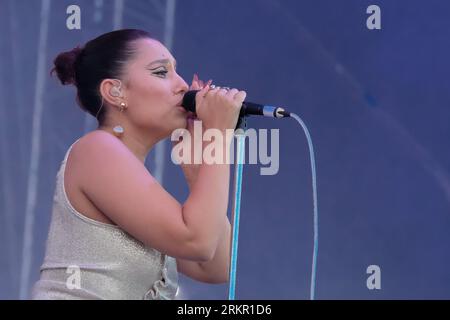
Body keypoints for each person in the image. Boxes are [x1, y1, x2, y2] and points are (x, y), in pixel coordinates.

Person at [31, 29, 246, 300]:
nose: (182, 85)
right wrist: (218, 136)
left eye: (177, 72)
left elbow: (217, 265)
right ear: (114, 91)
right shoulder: (96, 150)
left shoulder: (125, 173)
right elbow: (198, 242)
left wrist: (197, 170)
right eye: (160, 72)